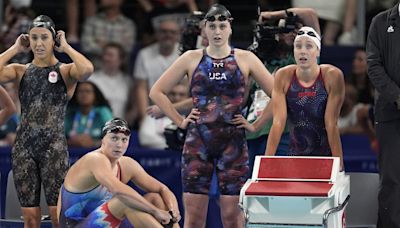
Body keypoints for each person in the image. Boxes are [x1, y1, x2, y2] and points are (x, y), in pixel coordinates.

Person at [149, 4, 274, 227]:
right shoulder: (191, 58)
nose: (217, 31)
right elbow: (156, 92)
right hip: (198, 144)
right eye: (212, 26)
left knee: (233, 219)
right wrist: (180, 121)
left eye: (222, 26)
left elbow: (279, 95)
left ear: (230, 28)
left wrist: (256, 124)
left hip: (233, 146)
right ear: (204, 29)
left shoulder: (246, 58)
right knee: (194, 220)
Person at [0, 15, 94, 227]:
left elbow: (87, 71)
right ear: (28, 41)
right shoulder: (21, 70)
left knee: (57, 216)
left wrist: (67, 47)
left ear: (54, 41)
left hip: (54, 149)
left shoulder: (65, 71)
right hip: (24, 149)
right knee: (30, 219)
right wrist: (15, 49)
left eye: (44, 37)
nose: (39, 43)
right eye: (34, 38)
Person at [57, 118, 180, 228]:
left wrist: (173, 213)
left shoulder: (126, 164)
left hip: (104, 222)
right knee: (123, 202)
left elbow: (162, 188)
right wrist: (154, 211)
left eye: (124, 139)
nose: (119, 144)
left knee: (155, 198)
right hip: (77, 225)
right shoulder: (94, 159)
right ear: (103, 140)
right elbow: (118, 191)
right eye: (114, 138)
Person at [264, 26, 345, 169]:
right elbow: (278, 123)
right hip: (295, 156)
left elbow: (331, 123)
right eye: (298, 46)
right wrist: (266, 162)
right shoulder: (283, 76)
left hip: (325, 157)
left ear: (318, 51)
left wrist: (339, 164)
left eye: (309, 46)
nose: (303, 51)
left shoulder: (332, 76)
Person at [366, 2, 400, 227]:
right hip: (390, 112)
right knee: (391, 178)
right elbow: (373, 65)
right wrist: (397, 96)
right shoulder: (380, 21)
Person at [65, 81, 113, 148]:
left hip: (97, 153)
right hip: (72, 153)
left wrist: (94, 143)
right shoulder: (69, 112)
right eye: (80, 91)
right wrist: (70, 142)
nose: (84, 94)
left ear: (95, 95)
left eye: (88, 91)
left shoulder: (103, 112)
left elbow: (113, 136)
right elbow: (57, 137)